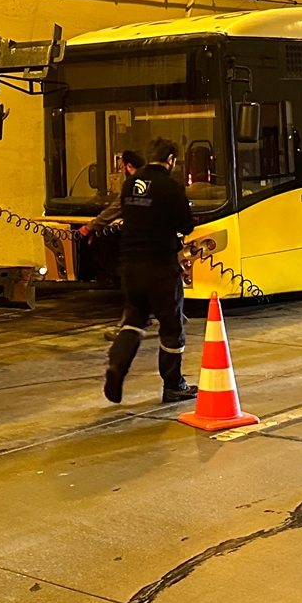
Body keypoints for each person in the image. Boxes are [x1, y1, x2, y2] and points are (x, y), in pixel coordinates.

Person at [104, 137, 198, 404]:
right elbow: (185, 225)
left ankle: (116, 366)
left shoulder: (130, 184)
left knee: (134, 320)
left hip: (130, 266)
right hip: (160, 267)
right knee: (171, 327)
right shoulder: (171, 187)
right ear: (171, 160)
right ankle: (173, 385)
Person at [77, 150, 145, 343]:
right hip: (161, 241)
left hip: (139, 243)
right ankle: (176, 317)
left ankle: (125, 328)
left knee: (133, 283)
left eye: (123, 166)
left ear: (129, 167)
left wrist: (91, 227)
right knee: (159, 279)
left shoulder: (133, 184)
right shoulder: (160, 181)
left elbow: (116, 209)